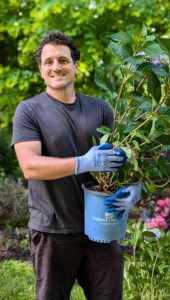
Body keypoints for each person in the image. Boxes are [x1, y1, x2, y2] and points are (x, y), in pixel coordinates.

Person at [11, 30, 145, 300]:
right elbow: (30, 166)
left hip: (101, 226)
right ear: (40, 69)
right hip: (53, 230)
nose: (56, 67)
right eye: (48, 62)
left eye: (63, 60)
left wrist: (137, 187)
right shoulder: (29, 110)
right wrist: (83, 162)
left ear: (76, 65)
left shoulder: (101, 108)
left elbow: (130, 157)